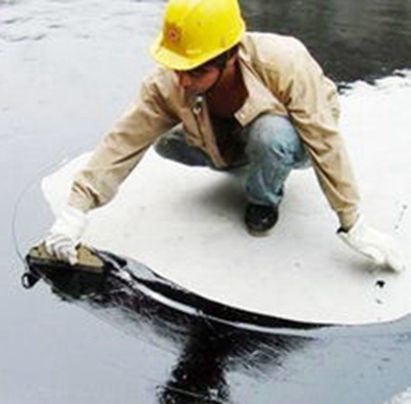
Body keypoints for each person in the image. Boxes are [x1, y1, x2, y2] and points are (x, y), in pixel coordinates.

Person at [44, 0, 404, 271]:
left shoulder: (285, 61)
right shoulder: (169, 82)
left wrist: (352, 221)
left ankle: (264, 198)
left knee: (269, 136)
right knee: (163, 140)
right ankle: (241, 159)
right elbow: (123, 140)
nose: (182, 80)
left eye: (195, 71)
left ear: (229, 55)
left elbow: (324, 139)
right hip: (230, 136)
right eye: (177, 67)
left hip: (291, 140)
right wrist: (76, 210)